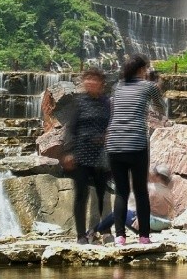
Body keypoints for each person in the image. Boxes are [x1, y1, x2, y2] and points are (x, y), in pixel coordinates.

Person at [104, 54, 166, 245]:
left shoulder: (118, 87)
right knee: (140, 191)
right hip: (136, 142)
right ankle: (144, 236)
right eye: (146, 68)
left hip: (114, 143)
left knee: (121, 191)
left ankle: (120, 237)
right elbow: (162, 108)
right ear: (141, 70)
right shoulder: (149, 87)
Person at [62, 67, 111, 244]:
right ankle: (81, 234)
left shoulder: (107, 103)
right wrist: (68, 152)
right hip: (81, 153)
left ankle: (104, 230)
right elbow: (70, 128)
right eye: (87, 79)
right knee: (81, 195)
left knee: (101, 194)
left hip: (101, 155)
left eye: (94, 79)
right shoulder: (79, 102)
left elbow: (112, 124)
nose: (90, 82)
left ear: (101, 83)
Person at [88, 165, 174, 240]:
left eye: (154, 173)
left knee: (117, 213)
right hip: (163, 224)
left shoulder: (152, 188)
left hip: (150, 224)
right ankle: (103, 231)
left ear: (158, 176)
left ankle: (92, 232)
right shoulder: (169, 192)